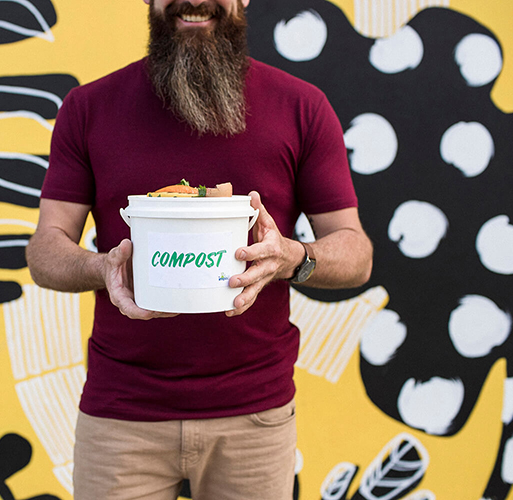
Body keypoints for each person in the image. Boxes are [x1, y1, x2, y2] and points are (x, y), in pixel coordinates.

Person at [26, 0, 373, 498]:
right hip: (121, 415)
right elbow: (45, 249)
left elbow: (355, 253)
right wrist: (103, 267)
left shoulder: (302, 107)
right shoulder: (89, 108)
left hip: (255, 416)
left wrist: (289, 258)